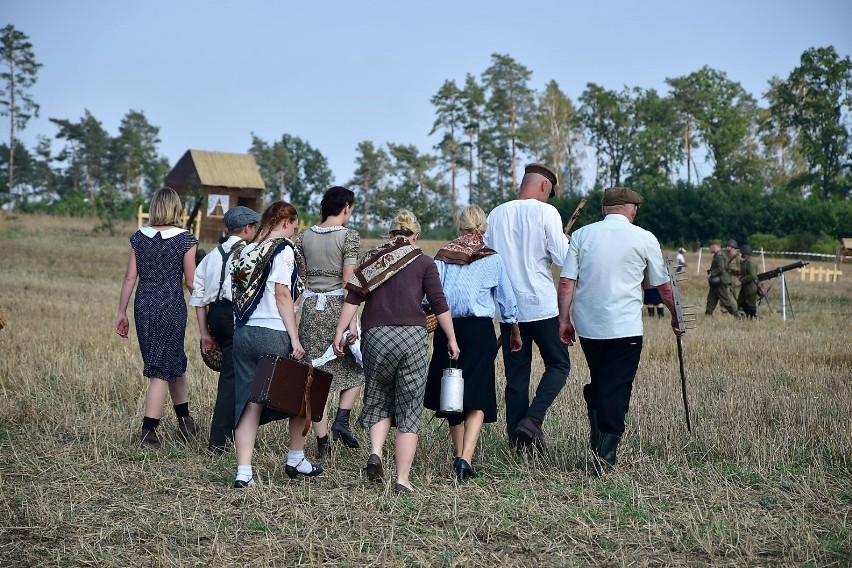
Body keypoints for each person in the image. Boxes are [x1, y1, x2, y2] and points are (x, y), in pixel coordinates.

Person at [557, 187, 683, 474]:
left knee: (601, 381)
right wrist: (676, 317)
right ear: (633, 210)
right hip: (625, 328)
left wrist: (563, 320)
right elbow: (663, 287)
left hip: (589, 327)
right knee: (618, 387)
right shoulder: (645, 238)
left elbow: (566, 283)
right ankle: (605, 457)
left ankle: (598, 432)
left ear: (604, 209)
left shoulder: (581, 235)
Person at [333, 210, 460, 493]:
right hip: (412, 337)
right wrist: (451, 338)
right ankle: (402, 479)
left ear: (390, 234)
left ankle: (376, 452)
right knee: (409, 405)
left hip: (376, 335)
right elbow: (439, 303)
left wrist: (341, 331)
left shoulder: (371, 259)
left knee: (378, 394)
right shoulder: (424, 261)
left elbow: (352, 296)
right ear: (415, 236)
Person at [423, 205, 522, 482]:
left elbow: (428, 297)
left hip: (447, 329)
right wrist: (514, 331)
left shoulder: (442, 256)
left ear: (460, 226)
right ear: (483, 228)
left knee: (451, 393)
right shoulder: (493, 259)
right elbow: (507, 301)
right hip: (480, 333)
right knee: (477, 394)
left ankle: (458, 455)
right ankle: (466, 458)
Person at [230, 201, 322, 488]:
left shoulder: (244, 250)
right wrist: (294, 339)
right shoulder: (282, 249)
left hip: (243, 335)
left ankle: (243, 472)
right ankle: (296, 456)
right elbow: (282, 294)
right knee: (306, 388)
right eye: (294, 227)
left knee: (249, 402)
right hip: (272, 332)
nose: (294, 233)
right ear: (285, 222)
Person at [483, 163, 571, 452]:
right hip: (541, 305)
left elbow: (487, 259)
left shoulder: (496, 214)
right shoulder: (547, 212)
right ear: (545, 186)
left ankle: (517, 444)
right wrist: (566, 242)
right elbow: (562, 258)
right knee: (559, 364)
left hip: (508, 310)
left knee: (516, 378)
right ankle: (532, 420)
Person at [115, 187, 200, 449]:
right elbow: (190, 281)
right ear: (176, 209)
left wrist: (121, 311)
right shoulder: (186, 240)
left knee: (174, 361)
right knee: (161, 369)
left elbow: (131, 277)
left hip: (144, 305)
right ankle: (148, 431)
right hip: (171, 306)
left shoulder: (138, 238)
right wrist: (207, 304)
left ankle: (185, 421)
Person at [294, 186, 364, 458]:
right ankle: (342, 419)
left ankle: (322, 441)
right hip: (338, 308)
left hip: (311, 309)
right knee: (357, 370)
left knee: (315, 378)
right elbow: (349, 283)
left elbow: (300, 280)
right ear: (346, 207)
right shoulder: (350, 237)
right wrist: (352, 323)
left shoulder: (304, 237)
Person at [190, 205, 260, 454]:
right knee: (234, 378)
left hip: (215, 316)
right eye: (255, 228)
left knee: (232, 374)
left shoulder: (211, 256)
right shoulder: (250, 252)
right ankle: (219, 439)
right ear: (248, 228)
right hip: (234, 315)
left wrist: (205, 333)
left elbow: (198, 295)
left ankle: (232, 431)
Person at [705, 239, 741, 318]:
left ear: (715, 246)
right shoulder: (717, 255)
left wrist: (712, 273)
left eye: (710, 247)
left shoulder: (719, 256)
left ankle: (738, 316)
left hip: (721, 281)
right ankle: (708, 315)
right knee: (711, 300)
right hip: (716, 282)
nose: (709, 249)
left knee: (726, 301)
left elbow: (721, 268)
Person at [737, 244, 759, 319]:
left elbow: (753, 275)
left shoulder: (751, 261)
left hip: (751, 287)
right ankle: (748, 315)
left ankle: (752, 318)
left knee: (751, 304)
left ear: (745, 253)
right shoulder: (746, 261)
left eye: (742, 253)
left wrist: (742, 280)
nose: (741, 254)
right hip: (745, 287)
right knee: (740, 302)